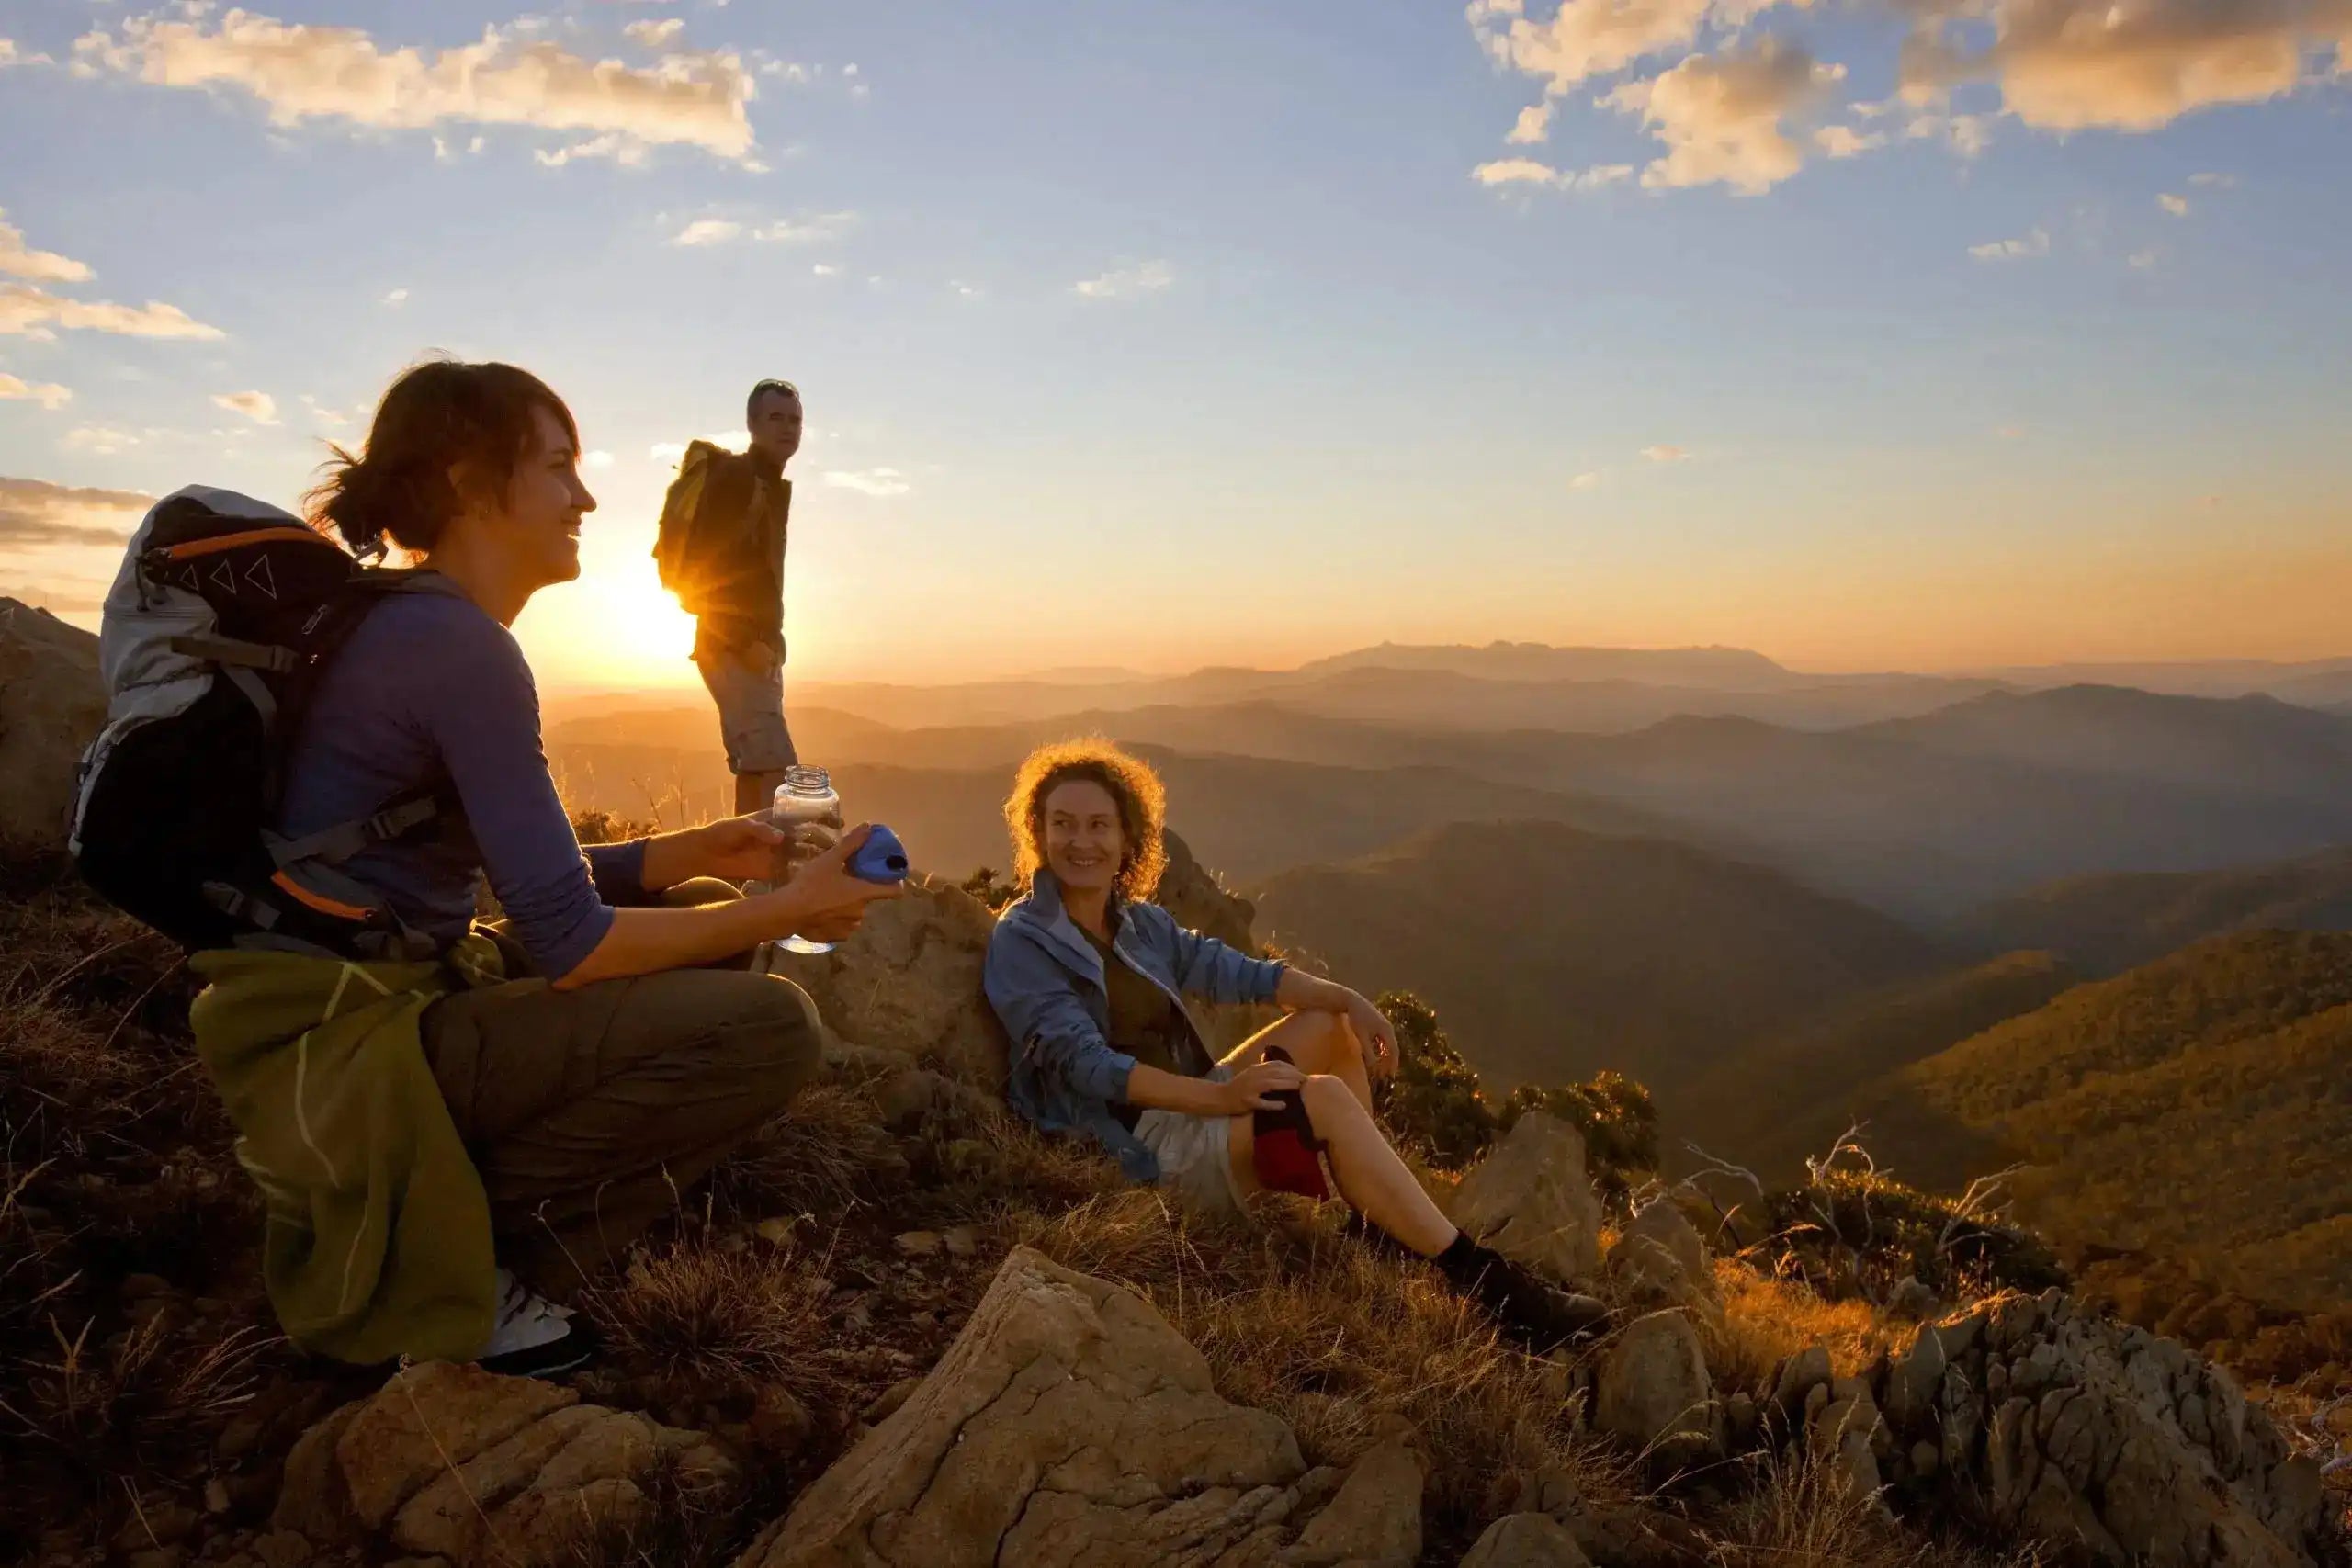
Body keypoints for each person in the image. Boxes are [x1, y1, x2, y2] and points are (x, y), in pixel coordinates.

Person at [191, 360, 901, 1377]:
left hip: (354, 1005)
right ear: (475, 483)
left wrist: (698, 851)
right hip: (356, 1040)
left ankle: (479, 1207)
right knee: (773, 1027)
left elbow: (522, 880)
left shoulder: (404, 623)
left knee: (698, 905)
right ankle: (467, 1260)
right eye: (560, 467)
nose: (587, 496)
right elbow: (572, 943)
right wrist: (786, 906)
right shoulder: (459, 648)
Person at [981, 739, 1599, 1349]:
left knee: (1329, 1025)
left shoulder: (1137, 923)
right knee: (1325, 1099)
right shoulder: (1024, 942)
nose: (1080, 842)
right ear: (1038, 832)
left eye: (1098, 825)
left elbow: (1231, 969)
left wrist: (1345, 997)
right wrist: (1224, 1100)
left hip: (1189, 1107)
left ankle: (1375, 1222)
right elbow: (1086, 1067)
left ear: (1125, 839)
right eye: (1063, 824)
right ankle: (1493, 1288)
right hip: (1136, 1145)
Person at [666, 378, 803, 817]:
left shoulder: (764, 482)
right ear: (752, 424)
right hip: (734, 647)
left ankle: (750, 874)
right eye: (776, 418)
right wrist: (746, 642)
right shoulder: (737, 481)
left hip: (749, 648)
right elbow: (701, 571)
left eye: (795, 419)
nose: (788, 428)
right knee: (777, 769)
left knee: (755, 767)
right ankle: (768, 878)